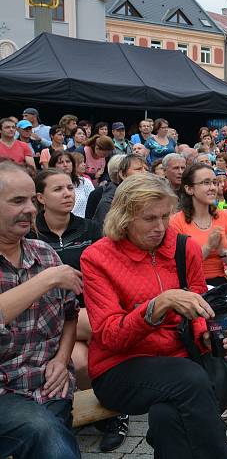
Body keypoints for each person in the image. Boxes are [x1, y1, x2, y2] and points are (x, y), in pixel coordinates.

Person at [81, 173, 227, 459]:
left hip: (177, 360)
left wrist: (207, 333)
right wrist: (157, 306)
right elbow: (110, 336)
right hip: (119, 367)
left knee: (168, 417)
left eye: (166, 216)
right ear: (124, 218)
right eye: (149, 218)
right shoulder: (98, 257)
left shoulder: (183, 247)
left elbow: (199, 302)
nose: (161, 227)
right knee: (190, 379)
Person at [30, 168, 131, 450]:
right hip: (49, 315)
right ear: (40, 197)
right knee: (89, 353)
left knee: (87, 358)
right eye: (58, 189)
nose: (67, 194)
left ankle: (112, 411)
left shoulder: (90, 229)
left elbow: (110, 270)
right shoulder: (30, 234)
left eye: (70, 188)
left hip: (89, 307)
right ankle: (107, 405)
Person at [0, 161, 84, 459]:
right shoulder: (50, 268)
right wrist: (46, 280)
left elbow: (71, 316)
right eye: (16, 201)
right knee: (44, 431)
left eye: (30, 200)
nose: (31, 209)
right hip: (5, 392)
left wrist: (62, 360)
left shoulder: (44, 253)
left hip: (48, 384)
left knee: (50, 432)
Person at [170, 163, 227, 287]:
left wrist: (222, 251)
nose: (213, 187)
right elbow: (180, 268)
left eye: (214, 182)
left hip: (219, 284)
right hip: (190, 286)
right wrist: (208, 246)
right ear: (189, 189)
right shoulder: (176, 222)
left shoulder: (223, 216)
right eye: (206, 183)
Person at [93, 154, 148, 225]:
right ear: (123, 175)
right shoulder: (109, 203)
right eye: (138, 169)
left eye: (146, 169)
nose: (145, 173)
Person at [49, 150, 94, 218]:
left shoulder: (84, 182)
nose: (65, 165)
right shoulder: (49, 185)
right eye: (61, 162)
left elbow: (94, 204)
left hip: (83, 224)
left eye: (68, 161)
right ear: (53, 166)